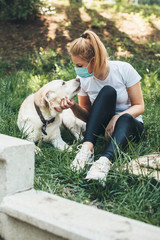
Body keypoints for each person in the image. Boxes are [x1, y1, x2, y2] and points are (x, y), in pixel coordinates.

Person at [55, 30, 145, 183]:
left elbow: (139, 106)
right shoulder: (83, 80)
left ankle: (103, 162)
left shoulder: (123, 69)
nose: (77, 69)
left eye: (80, 65)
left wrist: (117, 117)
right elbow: (89, 117)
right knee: (107, 92)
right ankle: (87, 149)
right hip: (104, 127)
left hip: (130, 124)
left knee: (124, 117)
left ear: (94, 60)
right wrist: (73, 106)